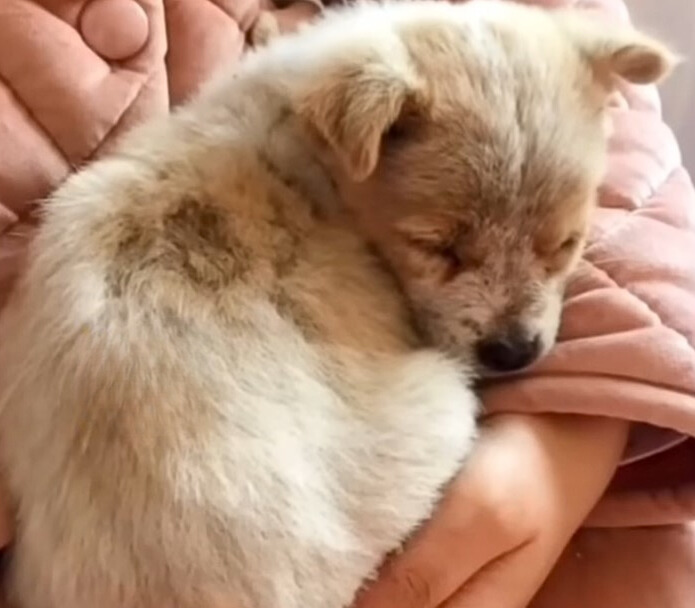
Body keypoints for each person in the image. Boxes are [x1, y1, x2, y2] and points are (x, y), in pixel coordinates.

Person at [0, 0, 694, 606]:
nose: (517, 321)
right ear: (354, 141)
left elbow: (626, 175)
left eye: (560, 248)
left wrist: (577, 429)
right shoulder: (338, 134)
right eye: (444, 250)